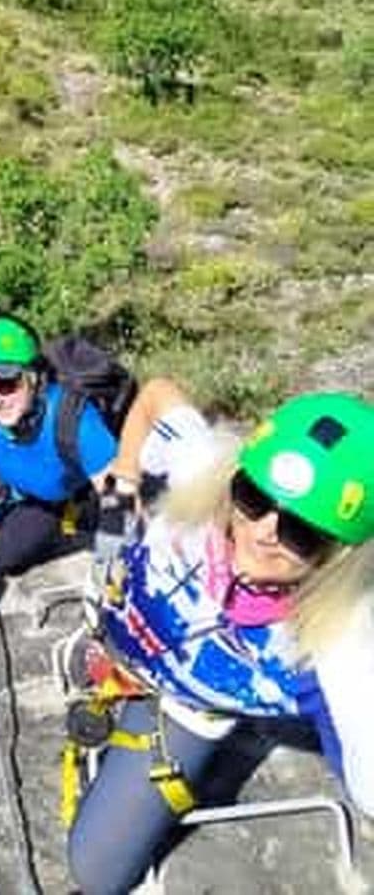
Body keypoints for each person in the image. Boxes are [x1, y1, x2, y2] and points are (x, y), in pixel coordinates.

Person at [63, 379, 374, 895]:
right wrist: (120, 490)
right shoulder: (203, 468)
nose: (263, 531)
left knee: (94, 873)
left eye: (302, 531)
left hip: (181, 708)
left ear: (342, 554)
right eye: (253, 498)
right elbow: (157, 396)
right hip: (111, 632)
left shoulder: (341, 649)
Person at [0, 317, 144, 581]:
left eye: (7, 384)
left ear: (34, 377)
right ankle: (71, 527)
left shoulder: (74, 419)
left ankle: (81, 525)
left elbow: (117, 497)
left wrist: (110, 559)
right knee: (5, 557)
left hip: (83, 492)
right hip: (38, 498)